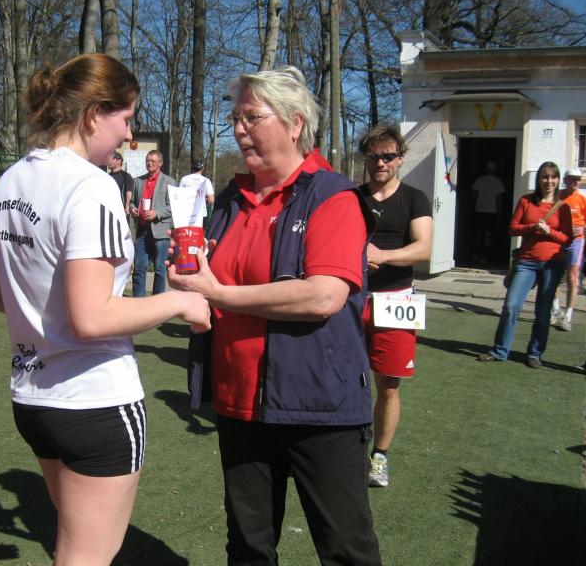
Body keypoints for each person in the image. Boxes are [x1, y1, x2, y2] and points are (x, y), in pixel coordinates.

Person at [0, 53, 210, 566]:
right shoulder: (92, 186)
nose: (129, 136)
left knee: (74, 546)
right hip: (94, 402)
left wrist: (45, 312)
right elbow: (92, 318)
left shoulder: (9, 181)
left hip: (32, 399)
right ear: (93, 114)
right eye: (126, 119)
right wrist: (180, 301)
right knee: (86, 556)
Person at [169, 65, 381, 565]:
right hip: (240, 403)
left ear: (294, 123)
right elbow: (209, 289)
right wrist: (191, 287)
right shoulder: (230, 199)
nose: (239, 129)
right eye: (235, 119)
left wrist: (219, 294)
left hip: (319, 405)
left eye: (252, 117)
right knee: (248, 547)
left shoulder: (332, 195)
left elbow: (323, 296)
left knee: (346, 549)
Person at [358, 125, 433, 488]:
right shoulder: (352, 197)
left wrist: (383, 256)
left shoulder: (415, 198)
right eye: (374, 156)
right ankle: (343, 449)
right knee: (343, 378)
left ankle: (379, 457)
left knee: (388, 385)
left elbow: (424, 248)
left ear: (401, 158)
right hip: (352, 298)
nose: (381, 163)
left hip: (396, 300)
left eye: (388, 156)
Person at [478, 162, 571, 368]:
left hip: (552, 264)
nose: (549, 181)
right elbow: (512, 229)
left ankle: (535, 353)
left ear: (558, 180)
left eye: (553, 177)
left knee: (543, 312)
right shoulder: (526, 201)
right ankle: (500, 350)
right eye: (545, 177)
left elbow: (567, 239)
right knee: (511, 306)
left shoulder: (562, 207)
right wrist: (532, 227)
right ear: (539, 179)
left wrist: (549, 232)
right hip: (526, 262)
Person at [130, 150, 176, 296]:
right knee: (139, 268)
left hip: (160, 232)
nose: (149, 163)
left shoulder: (169, 182)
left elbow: (174, 206)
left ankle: (157, 301)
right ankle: (138, 303)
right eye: (147, 161)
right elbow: (132, 202)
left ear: (160, 163)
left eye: (153, 161)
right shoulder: (138, 181)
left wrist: (157, 213)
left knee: (160, 269)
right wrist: (133, 209)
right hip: (142, 230)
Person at [550, 168, 586, 331]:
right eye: (572, 178)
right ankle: (555, 308)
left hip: (576, 242)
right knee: (554, 275)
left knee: (573, 278)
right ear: (565, 180)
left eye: (578, 178)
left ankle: (568, 316)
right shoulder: (556, 197)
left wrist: (584, 228)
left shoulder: (582, 199)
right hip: (558, 240)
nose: (576, 181)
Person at [470, 161, 505, 264]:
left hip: (479, 209)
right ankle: (484, 257)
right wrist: (500, 210)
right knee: (488, 235)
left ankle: (476, 255)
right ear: (494, 170)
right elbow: (499, 198)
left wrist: (471, 206)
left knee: (478, 233)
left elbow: (473, 194)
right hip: (492, 211)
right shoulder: (498, 182)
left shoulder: (479, 180)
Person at [108, 150, 133, 215]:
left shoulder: (126, 176)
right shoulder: (107, 176)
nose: (108, 161)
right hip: (108, 209)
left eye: (110, 159)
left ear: (119, 161)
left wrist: (127, 206)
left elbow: (129, 193)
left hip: (121, 210)